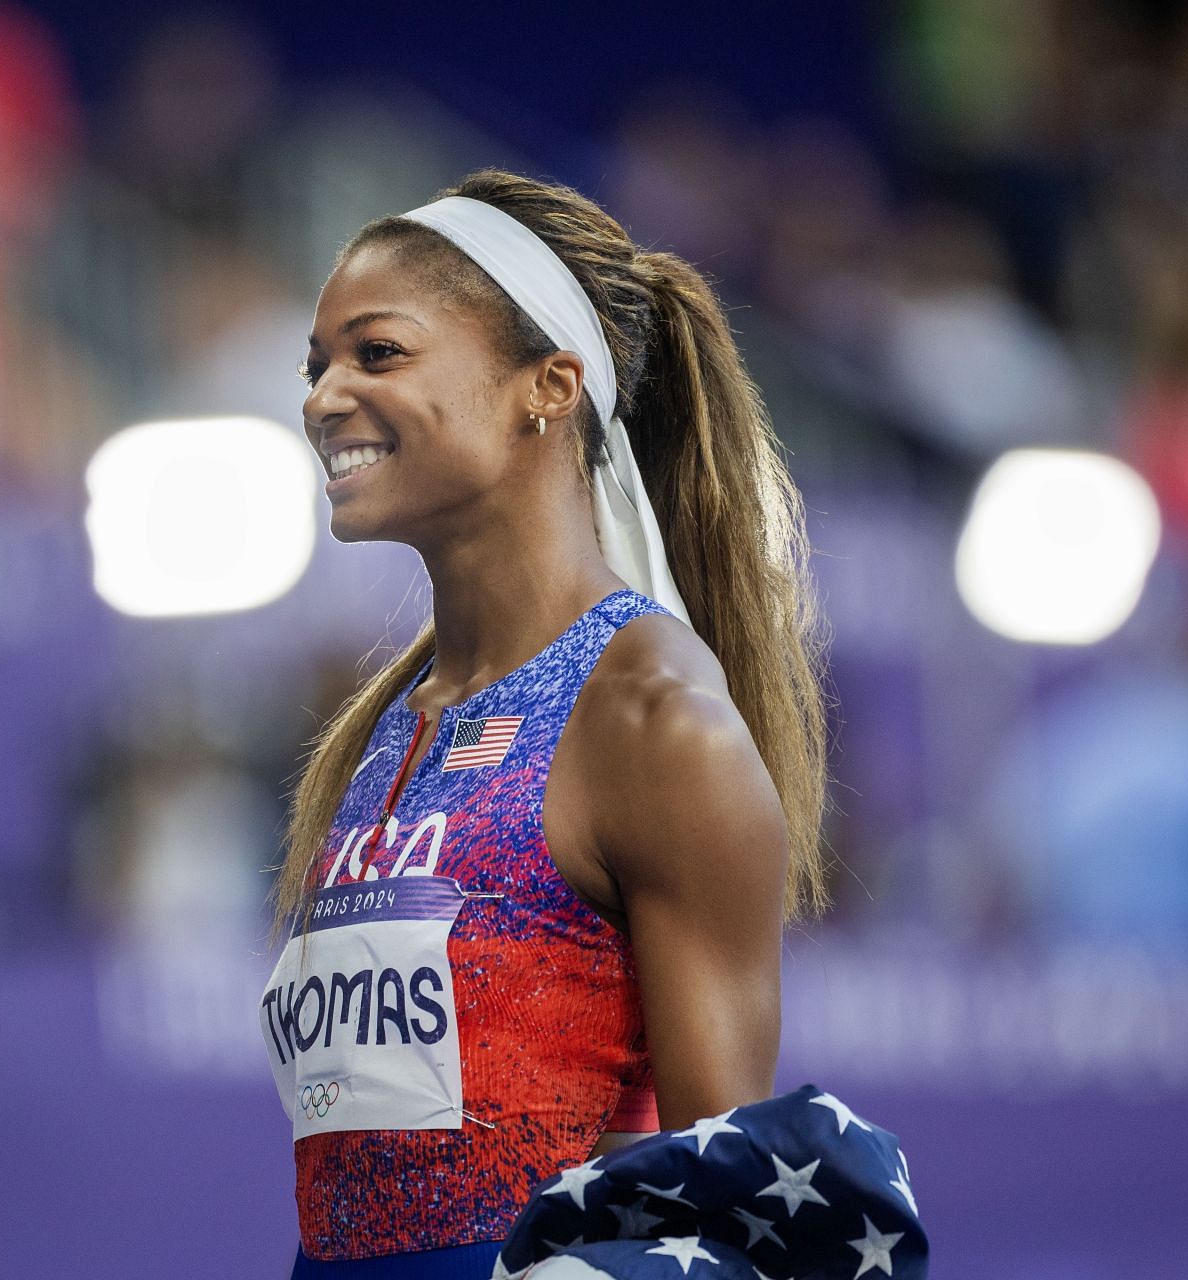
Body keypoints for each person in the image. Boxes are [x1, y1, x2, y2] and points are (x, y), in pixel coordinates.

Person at [258, 168, 833, 1278]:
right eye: (315, 363)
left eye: (376, 354)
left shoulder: (650, 716)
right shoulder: (382, 731)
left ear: (550, 385)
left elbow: (731, 1203)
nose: (323, 396)